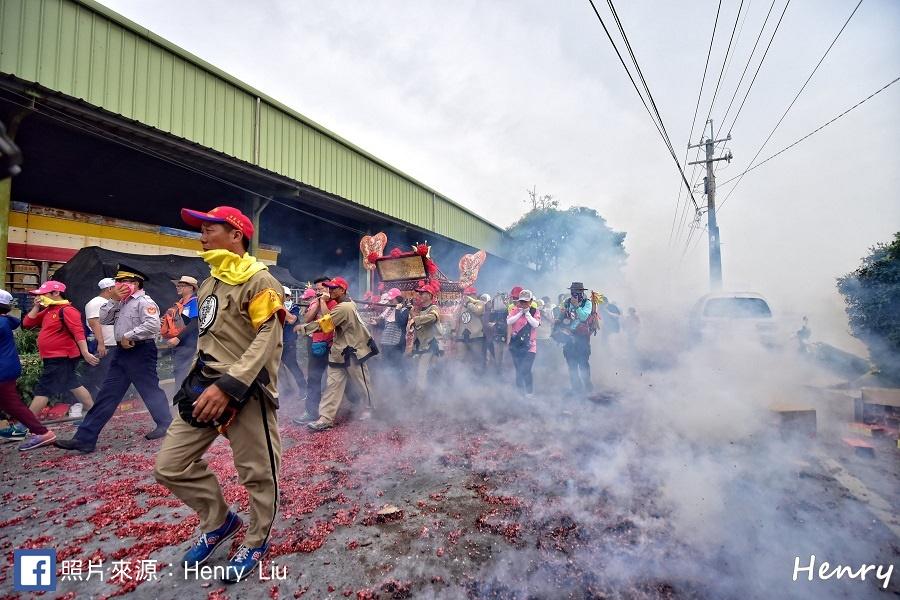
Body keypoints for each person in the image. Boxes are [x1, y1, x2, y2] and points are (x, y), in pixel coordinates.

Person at [154, 205, 286, 583]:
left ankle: (257, 541)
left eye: (209, 229)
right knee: (170, 466)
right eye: (201, 230)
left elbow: (269, 338)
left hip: (246, 392)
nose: (202, 237)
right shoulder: (209, 281)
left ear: (236, 234)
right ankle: (220, 522)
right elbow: (208, 335)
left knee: (258, 474)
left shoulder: (261, 282)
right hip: (204, 387)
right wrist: (194, 379)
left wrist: (230, 385)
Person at [55, 265, 173, 452]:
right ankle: (85, 439)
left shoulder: (144, 301)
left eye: (126, 281)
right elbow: (104, 319)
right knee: (107, 394)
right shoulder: (121, 301)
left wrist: (129, 335)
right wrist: (113, 300)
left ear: (136, 283)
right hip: (122, 352)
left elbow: (152, 325)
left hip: (140, 350)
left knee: (149, 390)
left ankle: (165, 423)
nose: (121, 285)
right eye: (119, 281)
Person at [306, 277, 378, 431]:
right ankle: (326, 417)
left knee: (362, 384)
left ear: (342, 290)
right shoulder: (345, 304)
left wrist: (303, 328)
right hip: (339, 352)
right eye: (329, 288)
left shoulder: (344, 307)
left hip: (353, 351)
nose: (330, 290)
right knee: (332, 386)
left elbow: (326, 324)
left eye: (334, 288)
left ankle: (371, 408)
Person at [22, 280, 98, 420]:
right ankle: (94, 412)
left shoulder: (67, 310)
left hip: (61, 357)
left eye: (43, 294)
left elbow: (78, 333)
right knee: (72, 383)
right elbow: (27, 323)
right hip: (53, 356)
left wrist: (85, 352)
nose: (39, 297)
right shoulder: (49, 310)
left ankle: (26, 422)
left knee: (44, 389)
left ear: (56, 293)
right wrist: (36, 307)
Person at [0, 289, 57, 450]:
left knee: (13, 405)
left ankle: (43, 432)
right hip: (8, 368)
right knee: (11, 404)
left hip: (2, 370)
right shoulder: (6, 321)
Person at [292, 276, 336, 424]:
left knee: (337, 379)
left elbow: (329, 320)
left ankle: (354, 405)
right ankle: (311, 412)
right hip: (317, 345)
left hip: (333, 346)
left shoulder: (335, 303)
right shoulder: (314, 302)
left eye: (321, 289)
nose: (318, 292)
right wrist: (317, 303)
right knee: (314, 378)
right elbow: (306, 319)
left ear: (329, 288)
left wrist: (323, 302)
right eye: (316, 289)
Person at [83, 278, 118, 401]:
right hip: (104, 345)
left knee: (111, 374)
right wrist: (101, 344)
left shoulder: (110, 302)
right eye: (117, 287)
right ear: (110, 289)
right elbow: (94, 323)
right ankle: (99, 401)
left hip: (113, 344)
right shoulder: (96, 303)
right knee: (102, 375)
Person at [555, 282, 593, 393]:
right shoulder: (567, 302)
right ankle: (576, 388)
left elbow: (583, 317)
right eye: (573, 291)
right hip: (568, 338)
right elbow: (562, 316)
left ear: (582, 292)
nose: (574, 293)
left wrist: (576, 306)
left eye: (577, 291)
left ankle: (587, 385)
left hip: (582, 338)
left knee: (583, 363)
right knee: (572, 365)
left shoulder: (587, 303)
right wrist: (558, 321)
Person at [163, 276, 200, 388]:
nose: (178, 287)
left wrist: (178, 338)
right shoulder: (180, 303)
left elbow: (195, 322)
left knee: (182, 374)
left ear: (191, 288)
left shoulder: (194, 302)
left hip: (188, 345)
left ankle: (180, 396)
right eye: (178, 285)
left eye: (182, 285)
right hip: (180, 344)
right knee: (179, 372)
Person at [409, 280, 442, 396]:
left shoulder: (434, 308)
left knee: (422, 371)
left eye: (422, 293)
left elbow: (433, 317)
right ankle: (431, 394)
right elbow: (418, 326)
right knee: (429, 371)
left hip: (431, 344)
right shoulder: (420, 310)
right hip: (421, 345)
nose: (420, 295)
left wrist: (415, 319)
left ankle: (419, 396)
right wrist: (412, 313)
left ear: (429, 295)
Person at [507, 289, 540, 396]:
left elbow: (535, 324)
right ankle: (520, 393)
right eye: (522, 301)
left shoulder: (535, 311)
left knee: (525, 369)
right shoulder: (514, 310)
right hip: (516, 345)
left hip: (530, 346)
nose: (524, 303)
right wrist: (521, 312)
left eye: (526, 301)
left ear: (530, 301)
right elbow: (509, 321)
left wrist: (527, 314)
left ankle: (529, 392)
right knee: (518, 369)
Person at [375, 288, 409, 390]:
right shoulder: (388, 310)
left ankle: (401, 387)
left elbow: (401, 323)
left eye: (392, 299)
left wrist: (397, 310)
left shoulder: (404, 310)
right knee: (386, 365)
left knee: (397, 365)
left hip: (397, 343)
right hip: (386, 342)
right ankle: (388, 386)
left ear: (398, 299)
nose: (390, 301)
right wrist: (376, 324)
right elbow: (385, 326)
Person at [279, 286, 306, 400]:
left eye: (283, 295)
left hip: (289, 341)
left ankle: (303, 389)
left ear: (289, 296)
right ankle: (287, 388)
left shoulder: (293, 307)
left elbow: (292, 319)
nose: (281, 297)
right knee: (278, 367)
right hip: (277, 341)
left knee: (292, 366)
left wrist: (279, 306)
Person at [455, 288, 486, 372]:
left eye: (468, 295)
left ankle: (478, 375)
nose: (466, 297)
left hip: (476, 336)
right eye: (465, 295)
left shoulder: (480, 303)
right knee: (460, 358)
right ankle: (460, 375)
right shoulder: (461, 306)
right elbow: (456, 318)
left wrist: (469, 303)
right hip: (462, 336)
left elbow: (478, 311)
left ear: (474, 295)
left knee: (476, 358)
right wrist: (454, 333)